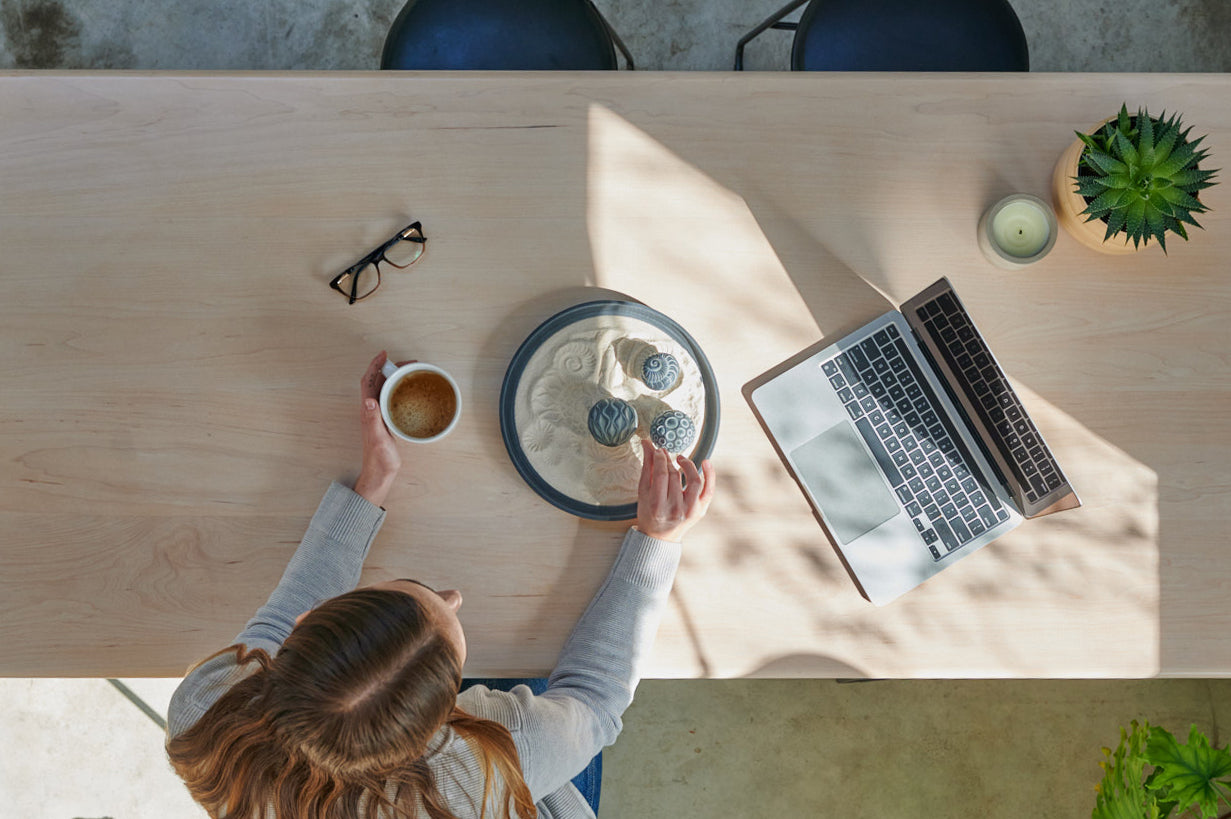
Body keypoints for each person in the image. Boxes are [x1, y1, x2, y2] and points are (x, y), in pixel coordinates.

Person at [165, 351, 716, 819]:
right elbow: (595, 702)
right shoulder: (485, 766)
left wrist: (372, 483)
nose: (453, 600)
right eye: (447, 614)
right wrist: (655, 542)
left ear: (306, 627)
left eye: (414, 589)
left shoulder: (205, 708)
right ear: (443, 723)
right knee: (526, 663)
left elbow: (275, 619)